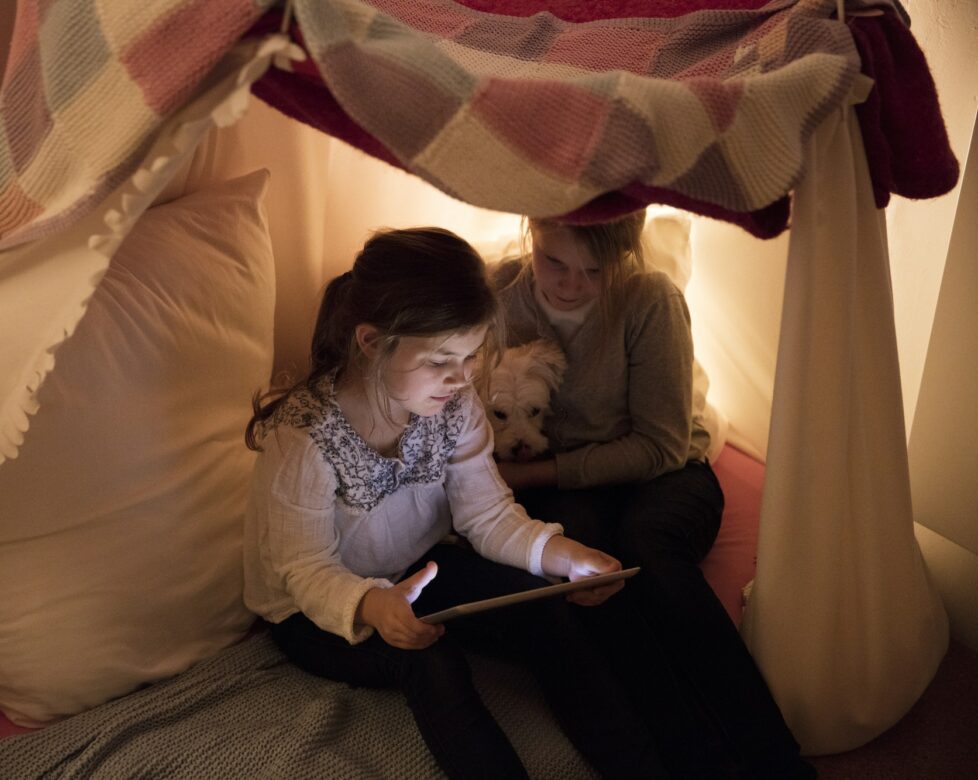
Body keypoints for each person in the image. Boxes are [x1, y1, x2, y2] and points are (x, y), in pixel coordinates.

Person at [242, 226, 674, 779]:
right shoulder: (303, 438)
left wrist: (567, 558)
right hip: (316, 607)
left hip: (417, 569)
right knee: (430, 661)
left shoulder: (454, 405)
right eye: (442, 359)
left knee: (544, 605)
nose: (460, 377)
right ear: (372, 342)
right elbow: (304, 568)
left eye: (471, 357)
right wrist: (374, 607)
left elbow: (488, 515)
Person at [491, 212, 814, 779]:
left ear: (624, 256)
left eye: (595, 270)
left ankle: (777, 763)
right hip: (571, 487)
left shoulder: (649, 300)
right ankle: (691, 761)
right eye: (554, 263)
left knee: (652, 553)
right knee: (594, 577)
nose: (570, 285)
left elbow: (660, 447)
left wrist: (536, 475)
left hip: (667, 471)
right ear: (531, 235)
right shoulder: (502, 298)